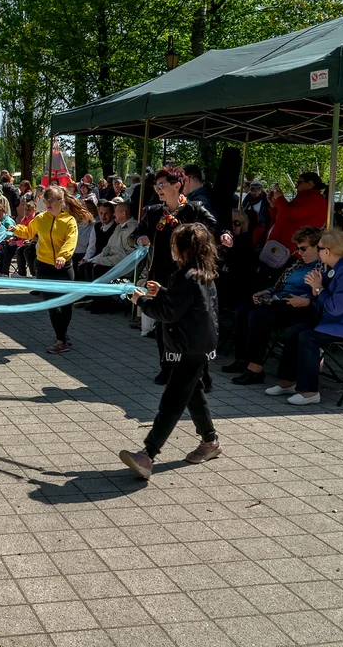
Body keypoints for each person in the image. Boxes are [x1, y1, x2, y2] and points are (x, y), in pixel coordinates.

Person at [118, 223, 222, 480]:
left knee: (172, 402)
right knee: (193, 393)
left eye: (174, 244)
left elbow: (167, 313)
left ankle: (148, 454)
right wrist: (161, 292)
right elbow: (183, 304)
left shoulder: (187, 278)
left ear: (184, 249)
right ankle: (210, 441)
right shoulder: (201, 274)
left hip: (190, 347)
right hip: (197, 344)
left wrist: (140, 300)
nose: (171, 248)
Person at [264, 229, 343, 405]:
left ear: (328, 251)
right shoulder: (339, 268)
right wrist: (313, 292)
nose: (317, 252)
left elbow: (334, 308)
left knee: (308, 337)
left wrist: (318, 289)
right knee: (296, 330)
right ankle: (288, 382)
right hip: (340, 321)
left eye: (319, 248)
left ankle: (310, 392)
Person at [132, 166, 225, 385]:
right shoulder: (154, 211)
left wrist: (226, 235)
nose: (158, 189)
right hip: (161, 275)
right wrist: (140, 239)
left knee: (194, 325)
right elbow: (135, 234)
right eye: (156, 185)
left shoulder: (195, 208)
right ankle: (167, 368)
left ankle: (202, 373)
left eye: (162, 184)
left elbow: (215, 228)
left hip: (189, 277)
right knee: (164, 325)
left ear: (177, 185)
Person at [224, 227, 323, 384]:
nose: (299, 252)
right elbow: (280, 286)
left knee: (259, 315)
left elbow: (320, 295)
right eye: (298, 248)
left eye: (303, 248)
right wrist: (266, 292)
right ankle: (242, 359)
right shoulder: (297, 263)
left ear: (317, 246)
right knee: (243, 310)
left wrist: (305, 298)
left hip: (301, 305)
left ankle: (255, 368)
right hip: (281, 299)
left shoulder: (321, 267)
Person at [11, 186, 93, 353]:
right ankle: (61, 340)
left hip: (64, 267)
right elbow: (28, 232)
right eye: (45, 200)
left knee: (66, 304)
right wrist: (15, 229)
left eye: (51, 200)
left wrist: (63, 256)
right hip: (43, 266)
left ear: (60, 202)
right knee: (52, 304)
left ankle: (62, 334)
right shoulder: (41, 218)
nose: (48, 203)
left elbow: (71, 241)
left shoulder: (69, 221)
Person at [266, 172, 328, 252]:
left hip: (292, 250)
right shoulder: (305, 198)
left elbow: (289, 214)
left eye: (299, 183)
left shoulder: (315, 200)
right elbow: (283, 216)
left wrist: (279, 199)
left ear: (310, 183)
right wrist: (274, 205)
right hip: (281, 247)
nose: (296, 186)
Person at [0, 196, 36, 278]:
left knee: (21, 250)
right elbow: (19, 232)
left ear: (34, 210)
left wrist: (16, 242)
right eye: (25, 210)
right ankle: (4, 272)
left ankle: (22, 273)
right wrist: (13, 239)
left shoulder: (33, 220)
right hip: (20, 241)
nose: (26, 212)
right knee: (6, 246)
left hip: (27, 242)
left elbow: (30, 236)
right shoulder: (23, 219)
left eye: (29, 210)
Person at [79, 202, 116, 282]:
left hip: (108, 259)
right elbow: (91, 247)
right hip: (95, 258)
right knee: (81, 267)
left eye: (106, 213)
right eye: (101, 213)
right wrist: (85, 259)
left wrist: (90, 260)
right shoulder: (96, 226)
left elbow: (109, 250)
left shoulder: (116, 228)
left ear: (112, 214)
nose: (103, 216)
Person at [241, 181, 272, 246]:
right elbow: (244, 206)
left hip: (259, 224)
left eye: (255, 191)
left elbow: (267, 215)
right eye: (252, 191)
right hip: (248, 222)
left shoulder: (265, 199)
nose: (253, 193)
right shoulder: (249, 197)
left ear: (260, 190)